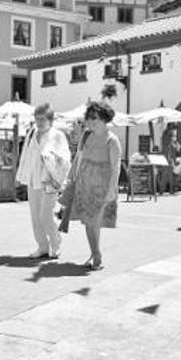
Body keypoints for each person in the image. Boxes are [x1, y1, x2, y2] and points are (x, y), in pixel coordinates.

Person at [62, 101, 121, 270]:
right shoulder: (86, 135)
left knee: (94, 221)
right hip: (84, 184)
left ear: (104, 118)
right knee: (88, 222)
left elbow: (115, 167)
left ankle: (96, 256)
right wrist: (69, 178)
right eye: (89, 118)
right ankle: (95, 253)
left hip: (101, 187)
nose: (90, 121)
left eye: (94, 118)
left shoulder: (112, 140)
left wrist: (112, 190)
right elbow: (78, 157)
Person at [16, 103, 71, 259]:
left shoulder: (57, 135)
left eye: (42, 119)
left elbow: (66, 158)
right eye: (37, 119)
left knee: (45, 214)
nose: (39, 122)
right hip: (34, 178)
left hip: (50, 179)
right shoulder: (32, 133)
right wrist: (22, 176)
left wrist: (50, 156)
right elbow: (25, 155)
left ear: (50, 120)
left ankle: (56, 243)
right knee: (35, 216)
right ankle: (42, 246)